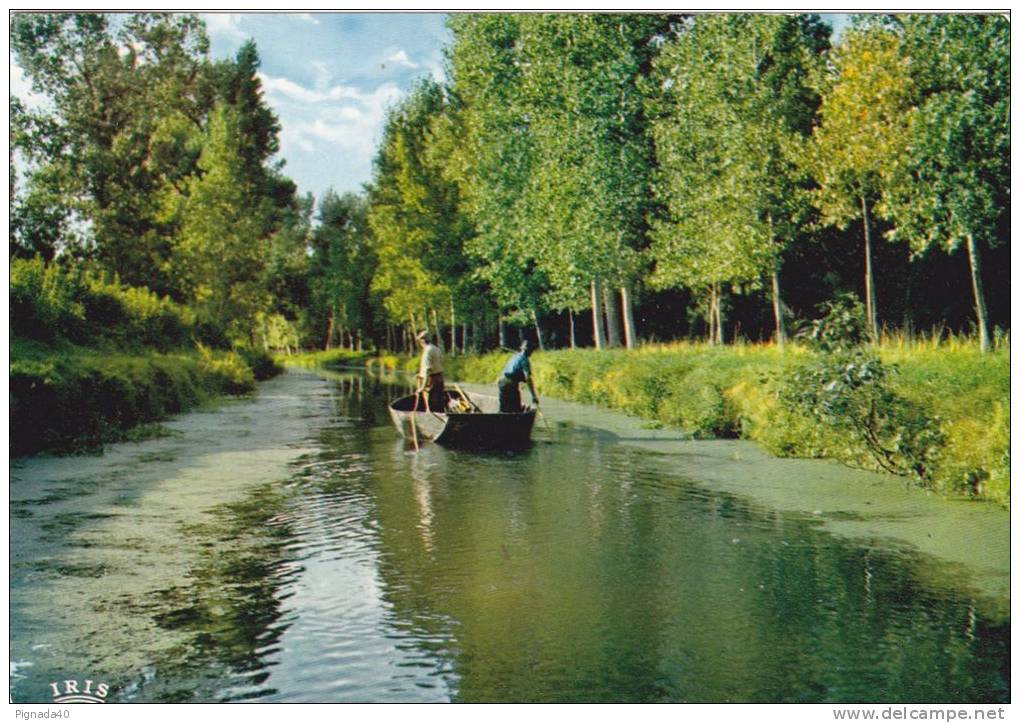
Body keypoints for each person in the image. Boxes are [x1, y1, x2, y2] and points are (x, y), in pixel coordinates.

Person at [498, 340, 539, 413]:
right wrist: (533, 396)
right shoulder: (525, 360)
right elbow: (528, 378)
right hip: (510, 385)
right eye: (532, 351)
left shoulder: (515, 356)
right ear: (530, 351)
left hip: (502, 382)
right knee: (516, 410)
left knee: (504, 409)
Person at [415, 330, 446, 412]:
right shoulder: (436, 349)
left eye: (419, 341)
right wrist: (420, 374)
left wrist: (422, 387)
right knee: (439, 402)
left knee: (431, 405)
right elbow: (438, 364)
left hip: (432, 380)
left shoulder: (427, 352)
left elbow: (428, 370)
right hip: (440, 378)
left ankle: (433, 420)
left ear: (422, 341)